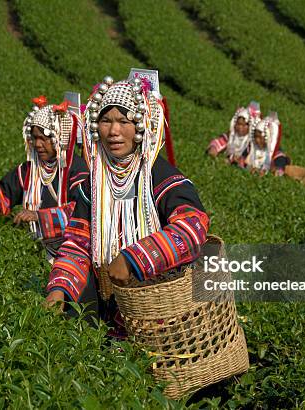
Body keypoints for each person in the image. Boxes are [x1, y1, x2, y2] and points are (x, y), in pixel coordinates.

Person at [44, 76, 209, 330]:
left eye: (124, 121)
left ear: (141, 125)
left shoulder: (160, 175)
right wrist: (59, 288)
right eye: (106, 121)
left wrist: (133, 259)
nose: (113, 132)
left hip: (159, 304)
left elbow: (193, 227)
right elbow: (77, 242)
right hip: (110, 302)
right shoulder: (94, 182)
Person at [0, 96, 88, 259]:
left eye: (44, 138)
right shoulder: (30, 169)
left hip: (69, 253)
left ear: (59, 138)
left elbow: (80, 210)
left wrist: (39, 217)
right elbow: (5, 191)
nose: (38, 144)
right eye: (35, 138)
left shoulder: (77, 170)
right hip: (32, 248)